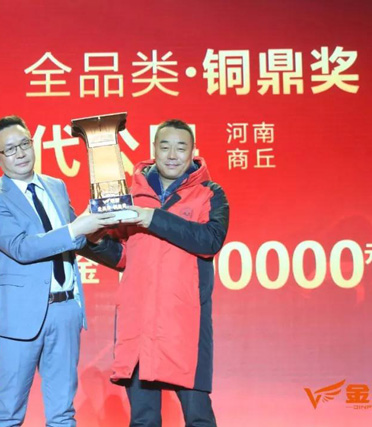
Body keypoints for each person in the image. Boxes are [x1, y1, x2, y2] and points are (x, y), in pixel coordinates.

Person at [85, 119, 229, 426]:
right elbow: (124, 255)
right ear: (154, 150)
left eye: (181, 148)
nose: (172, 155)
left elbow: (209, 241)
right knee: (143, 420)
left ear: (193, 152)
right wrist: (92, 239)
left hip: (185, 325)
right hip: (139, 324)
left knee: (199, 418)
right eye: (165, 147)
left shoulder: (209, 193)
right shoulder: (131, 195)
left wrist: (152, 217)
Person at [0, 115, 118, 427]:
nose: (20, 153)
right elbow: (21, 248)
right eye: (10, 149)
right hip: (20, 318)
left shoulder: (55, 186)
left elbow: (75, 237)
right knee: (9, 414)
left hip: (65, 311)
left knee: (63, 413)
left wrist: (100, 221)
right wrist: (76, 228)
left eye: (24, 144)